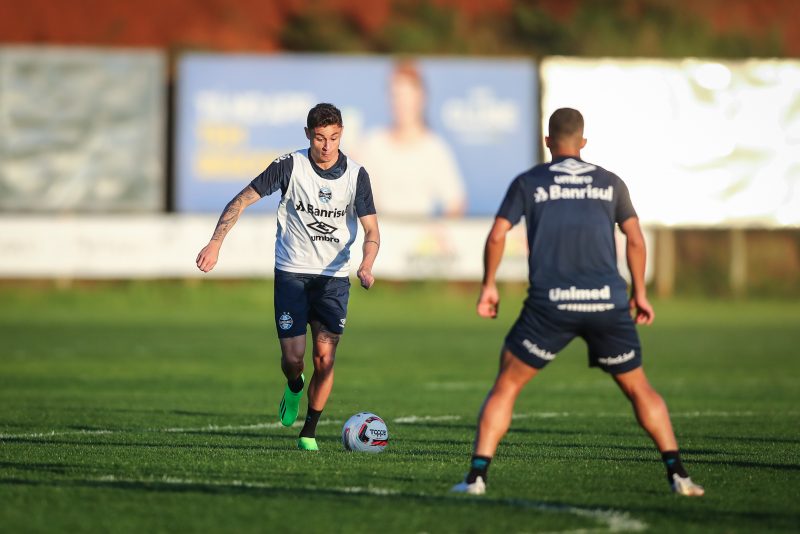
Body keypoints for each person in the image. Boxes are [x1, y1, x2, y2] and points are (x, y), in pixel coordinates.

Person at [451, 108, 704, 497]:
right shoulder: (610, 183)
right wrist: (639, 292)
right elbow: (636, 240)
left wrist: (489, 285)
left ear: (547, 141)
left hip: (550, 304)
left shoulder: (529, 182)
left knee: (508, 384)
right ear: (582, 142)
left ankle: (476, 479)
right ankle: (679, 475)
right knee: (639, 387)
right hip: (607, 303)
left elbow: (498, 234)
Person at [196, 103, 380, 451]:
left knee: (325, 359)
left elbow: (372, 230)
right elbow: (242, 199)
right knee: (294, 360)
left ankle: (308, 431)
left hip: (333, 280)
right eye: (320, 138)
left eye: (334, 138)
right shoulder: (289, 165)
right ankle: (295, 385)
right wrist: (215, 242)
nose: (327, 146)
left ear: (341, 134)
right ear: (308, 134)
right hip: (291, 274)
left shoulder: (357, 175)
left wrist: (367, 264)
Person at [356, 60, 466, 218]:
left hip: (421, 232)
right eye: (396, 95)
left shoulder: (434, 148)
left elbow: (456, 202)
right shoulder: (373, 143)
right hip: (379, 229)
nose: (401, 103)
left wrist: (440, 228)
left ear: (421, 97)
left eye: (407, 95)